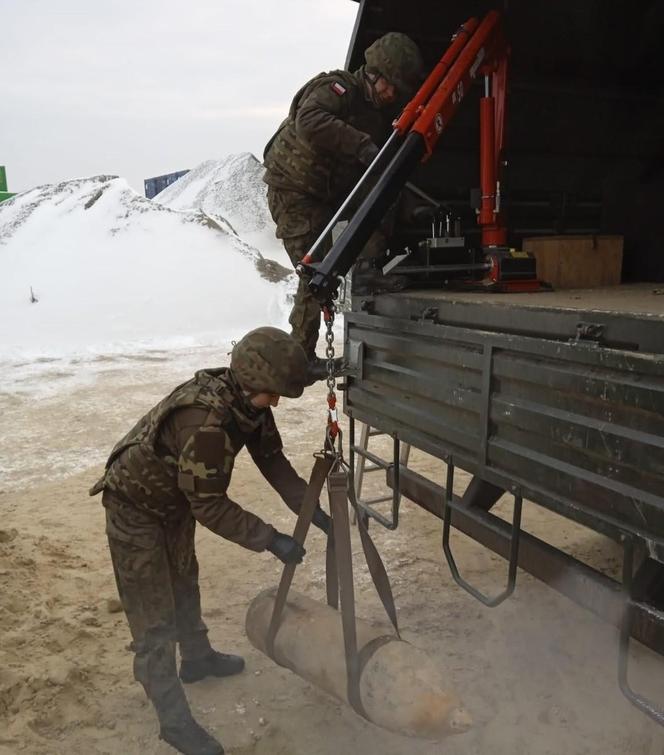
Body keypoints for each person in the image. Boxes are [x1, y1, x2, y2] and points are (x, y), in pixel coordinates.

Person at [89, 327, 331, 755]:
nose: (275, 402)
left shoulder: (247, 405)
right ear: (251, 380)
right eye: (272, 393)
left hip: (174, 501)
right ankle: (174, 721)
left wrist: (314, 514)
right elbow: (211, 507)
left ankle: (197, 659)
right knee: (154, 617)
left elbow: (275, 465)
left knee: (185, 579)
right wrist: (271, 540)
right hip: (134, 506)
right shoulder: (208, 424)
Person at [263, 32, 425, 378]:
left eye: (397, 90)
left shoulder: (375, 112)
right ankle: (301, 357)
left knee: (380, 196)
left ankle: (368, 269)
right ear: (373, 72)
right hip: (292, 191)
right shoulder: (337, 88)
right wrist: (362, 146)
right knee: (315, 271)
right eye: (388, 86)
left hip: (328, 193)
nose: (391, 95)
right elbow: (310, 120)